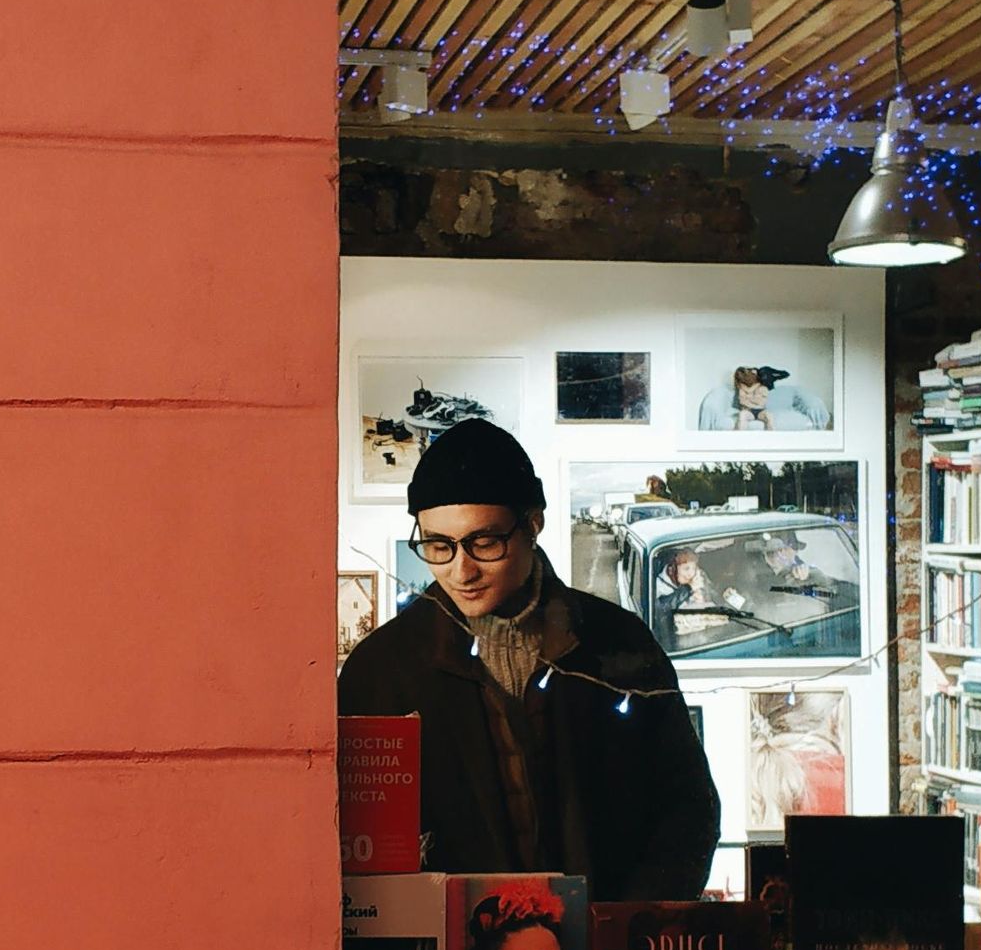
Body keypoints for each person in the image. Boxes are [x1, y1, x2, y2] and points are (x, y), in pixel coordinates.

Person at [337, 418, 720, 899]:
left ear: (533, 524)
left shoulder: (619, 643)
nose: (462, 570)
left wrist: (633, 923)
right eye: (438, 546)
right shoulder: (383, 668)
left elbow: (688, 807)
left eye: (484, 542)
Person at [696, 360, 831, 432]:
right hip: (747, 412)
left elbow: (760, 402)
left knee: (769, 417)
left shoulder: (763, 388)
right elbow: (744, 402)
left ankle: (770, 437)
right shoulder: (741, 389)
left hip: (760, 411)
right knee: (742, 416)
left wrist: (752, 400)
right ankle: (737, 436)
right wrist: (751, 401)